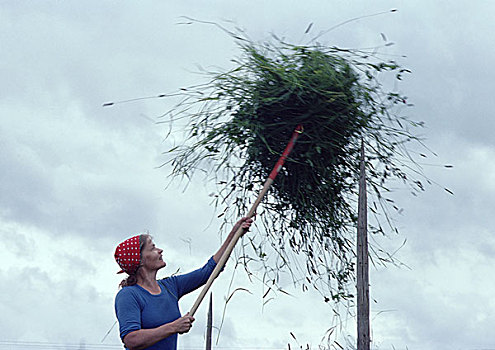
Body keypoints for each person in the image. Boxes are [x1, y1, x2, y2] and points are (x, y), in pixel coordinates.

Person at [114, 217, 253, 350]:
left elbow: (209, 271)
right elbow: (132, 340)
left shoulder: (170, 287)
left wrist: (234, 235)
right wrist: (174, 327)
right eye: (153, 248)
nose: (160, 250)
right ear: (140, 260)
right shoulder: (128, 295)